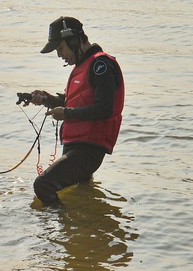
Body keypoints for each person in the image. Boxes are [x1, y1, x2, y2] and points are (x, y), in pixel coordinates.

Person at [30, 16, 125, 205]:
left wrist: (66, 114)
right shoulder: (83, 67)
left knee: (43, 185)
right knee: (81, 194)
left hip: (88, 149)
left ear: (74, 40)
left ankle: (59, 230)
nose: (59, 55)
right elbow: (73, 102)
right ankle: (79, 229)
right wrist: (46, 99)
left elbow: (104, 108)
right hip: (76, 147)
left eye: (60, 48)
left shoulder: (101, 66)